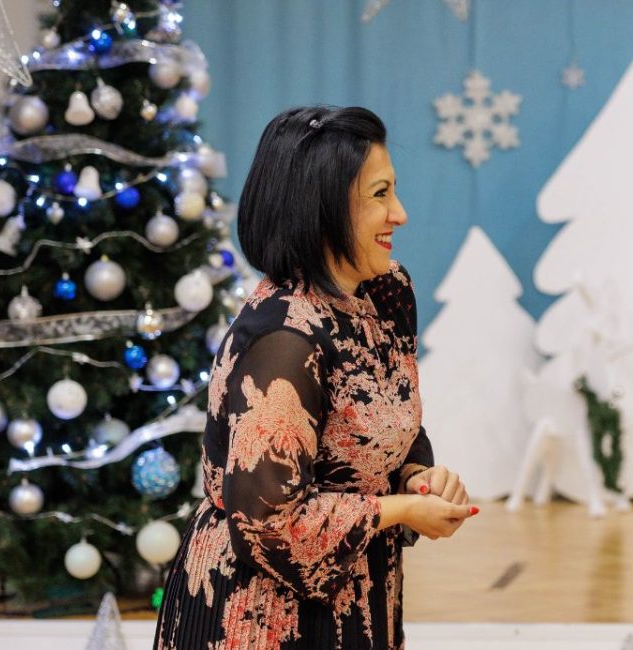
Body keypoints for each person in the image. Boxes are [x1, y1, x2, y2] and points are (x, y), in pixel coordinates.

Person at [155, 106, 476, 650]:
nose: (399, 214)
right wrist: (402, 511)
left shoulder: (386, 293)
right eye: (379, 195)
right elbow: (269, 523)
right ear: (322, 208)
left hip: (359, 598)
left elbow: (386, 422)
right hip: (260, 615)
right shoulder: (283, 339)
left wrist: (417, 478)